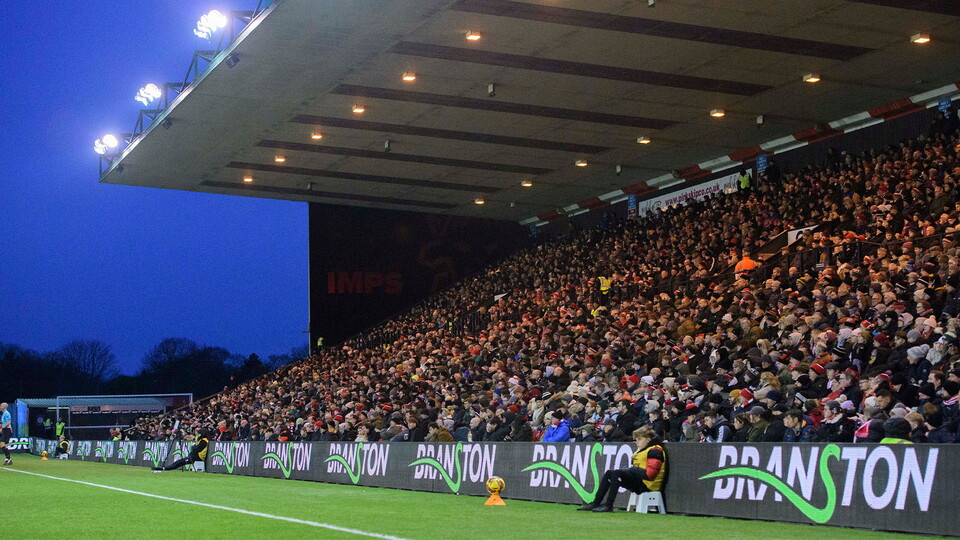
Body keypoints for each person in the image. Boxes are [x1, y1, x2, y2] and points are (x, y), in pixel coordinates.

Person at [578, 426, 666, 513]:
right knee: (610, 473)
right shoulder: (643, 450)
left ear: (648, 439)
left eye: (639, 439)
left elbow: (650, 475)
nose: (636, 442)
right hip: (640, 480)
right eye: (636, 439)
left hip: (648, 485)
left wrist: (632, 470)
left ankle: (609, 505)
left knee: (617, 474)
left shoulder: (655, 451)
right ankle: (596, 503)